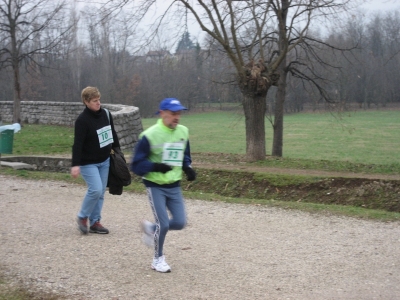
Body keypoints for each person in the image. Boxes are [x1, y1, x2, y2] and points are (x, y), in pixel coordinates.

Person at [131, 97, 196, 273]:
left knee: (181, 222)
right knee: (164, 224)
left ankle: (150, 228)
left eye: (179, 113)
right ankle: (157, 259)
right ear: (162, 114)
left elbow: (185, 154)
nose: (177, 117)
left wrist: (187, 168)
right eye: (173, 113)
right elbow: (136, 165)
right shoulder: (149, 136)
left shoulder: (183, 131)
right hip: (155, 185)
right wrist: (156, 167)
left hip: (174, 185)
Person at [71, 86, 120, 235]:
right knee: (96, 189)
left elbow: (112, 133)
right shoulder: (82, 120)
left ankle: (95, 222)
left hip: (104, 159)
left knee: (101, 192)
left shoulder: (106, 114)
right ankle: (82, 216)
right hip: (88, 162)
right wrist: (75, 165)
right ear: (86, 102)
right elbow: (77, 144)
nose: (98, 103)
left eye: (99, 100)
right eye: (94, 101)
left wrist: (117, 151)